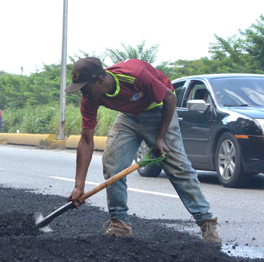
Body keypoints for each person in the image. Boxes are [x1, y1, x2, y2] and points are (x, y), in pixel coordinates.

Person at [64, 57, 220, 243]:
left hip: (160, 111)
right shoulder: (89, 98)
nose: (83, 93)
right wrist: (78, 185)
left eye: (84, 87)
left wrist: (160, 137)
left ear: (99, 80)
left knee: (179, 168)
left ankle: (206, 222)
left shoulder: (135, 74)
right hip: (129, 117)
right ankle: (120, 222)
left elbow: (170, 98)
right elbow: (86, 140)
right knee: (113, 166)